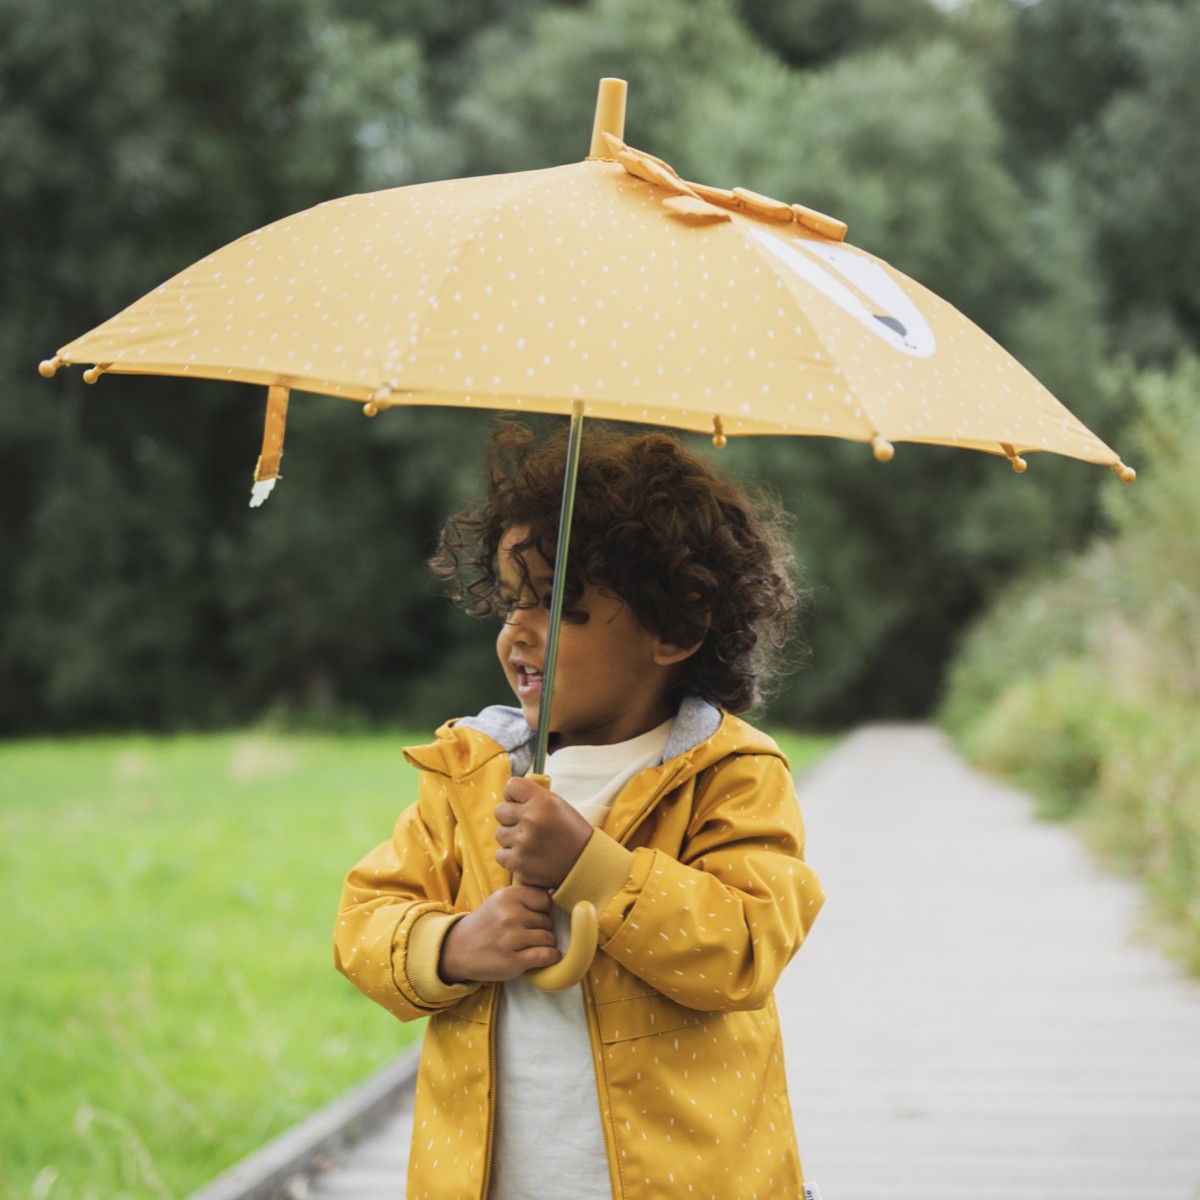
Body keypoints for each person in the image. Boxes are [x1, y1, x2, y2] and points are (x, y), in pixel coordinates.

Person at [333, 421, 825, 1200]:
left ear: (676, 627)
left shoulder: (729, 776)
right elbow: (366, 920)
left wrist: (592, 868)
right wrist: (454, 944)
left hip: (690, 1180)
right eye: (509, 603)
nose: (517, 632)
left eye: (559, 608)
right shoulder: (474, 771)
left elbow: (745, 946)